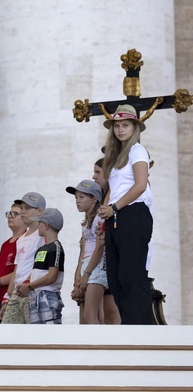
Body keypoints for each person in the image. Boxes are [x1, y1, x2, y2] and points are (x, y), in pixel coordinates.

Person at [97, 104, 153, 325]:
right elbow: (113, 189)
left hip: (132, 213)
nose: (120, 130)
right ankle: (129, 323)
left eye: (125, 125)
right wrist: (105, 209)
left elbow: (140, 186)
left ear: (134, 128)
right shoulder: (116, 155)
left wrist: (115, 207)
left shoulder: (137, 150)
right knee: (116, 277)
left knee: (132, 274)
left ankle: (141, 326)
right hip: (116, 216)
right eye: (117, 126)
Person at [0, 192, 46, 324]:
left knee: (32, 333)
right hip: (16, 292)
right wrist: (7, 296)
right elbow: (17, 269)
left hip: (32, 291)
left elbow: (41, 266)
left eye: (27, 208)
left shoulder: (42, 235)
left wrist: (29, 283)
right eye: (22, 209)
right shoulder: (21, 239)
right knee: (7, 331)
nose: (23, 212)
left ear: (39, 211)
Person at [66, 180, 107, 324]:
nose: (77, 201)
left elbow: (100, 248)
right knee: (98, 315)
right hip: (87, 265)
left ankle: (98, 346)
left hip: (96, 265)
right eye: (76, 198)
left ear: (94, 199)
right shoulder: (86, 223)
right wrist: (77, 279)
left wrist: (86, 275)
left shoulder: (99, 219)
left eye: (82, 197)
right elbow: (82, 252)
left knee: (89, 315)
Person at [17, 208, 65, 324]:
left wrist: (29, 286)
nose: (37, 226)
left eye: (39, 223)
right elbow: (36, 273)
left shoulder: (56, 247)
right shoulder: (41, 249)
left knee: (50, 333)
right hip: (35, 296)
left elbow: (52, 276)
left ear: (46, 225)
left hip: (48, 296)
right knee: (36, 335)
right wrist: (26, 283)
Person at [0, 203, 27, 323]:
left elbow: (20, 270)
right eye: (9, 213)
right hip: (2, 299)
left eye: (14, 214)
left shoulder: (25, 241)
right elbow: (2, 268)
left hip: (15, 299)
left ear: (24, 217)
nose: (10, 216)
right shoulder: (5, 244)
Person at [92, 158, 122, 324]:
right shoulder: (102, 198)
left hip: (109, 259)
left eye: (98, 172)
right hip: (100, 261)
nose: (94, 176)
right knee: (101, 315)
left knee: (111, 313)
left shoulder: (116, 197)